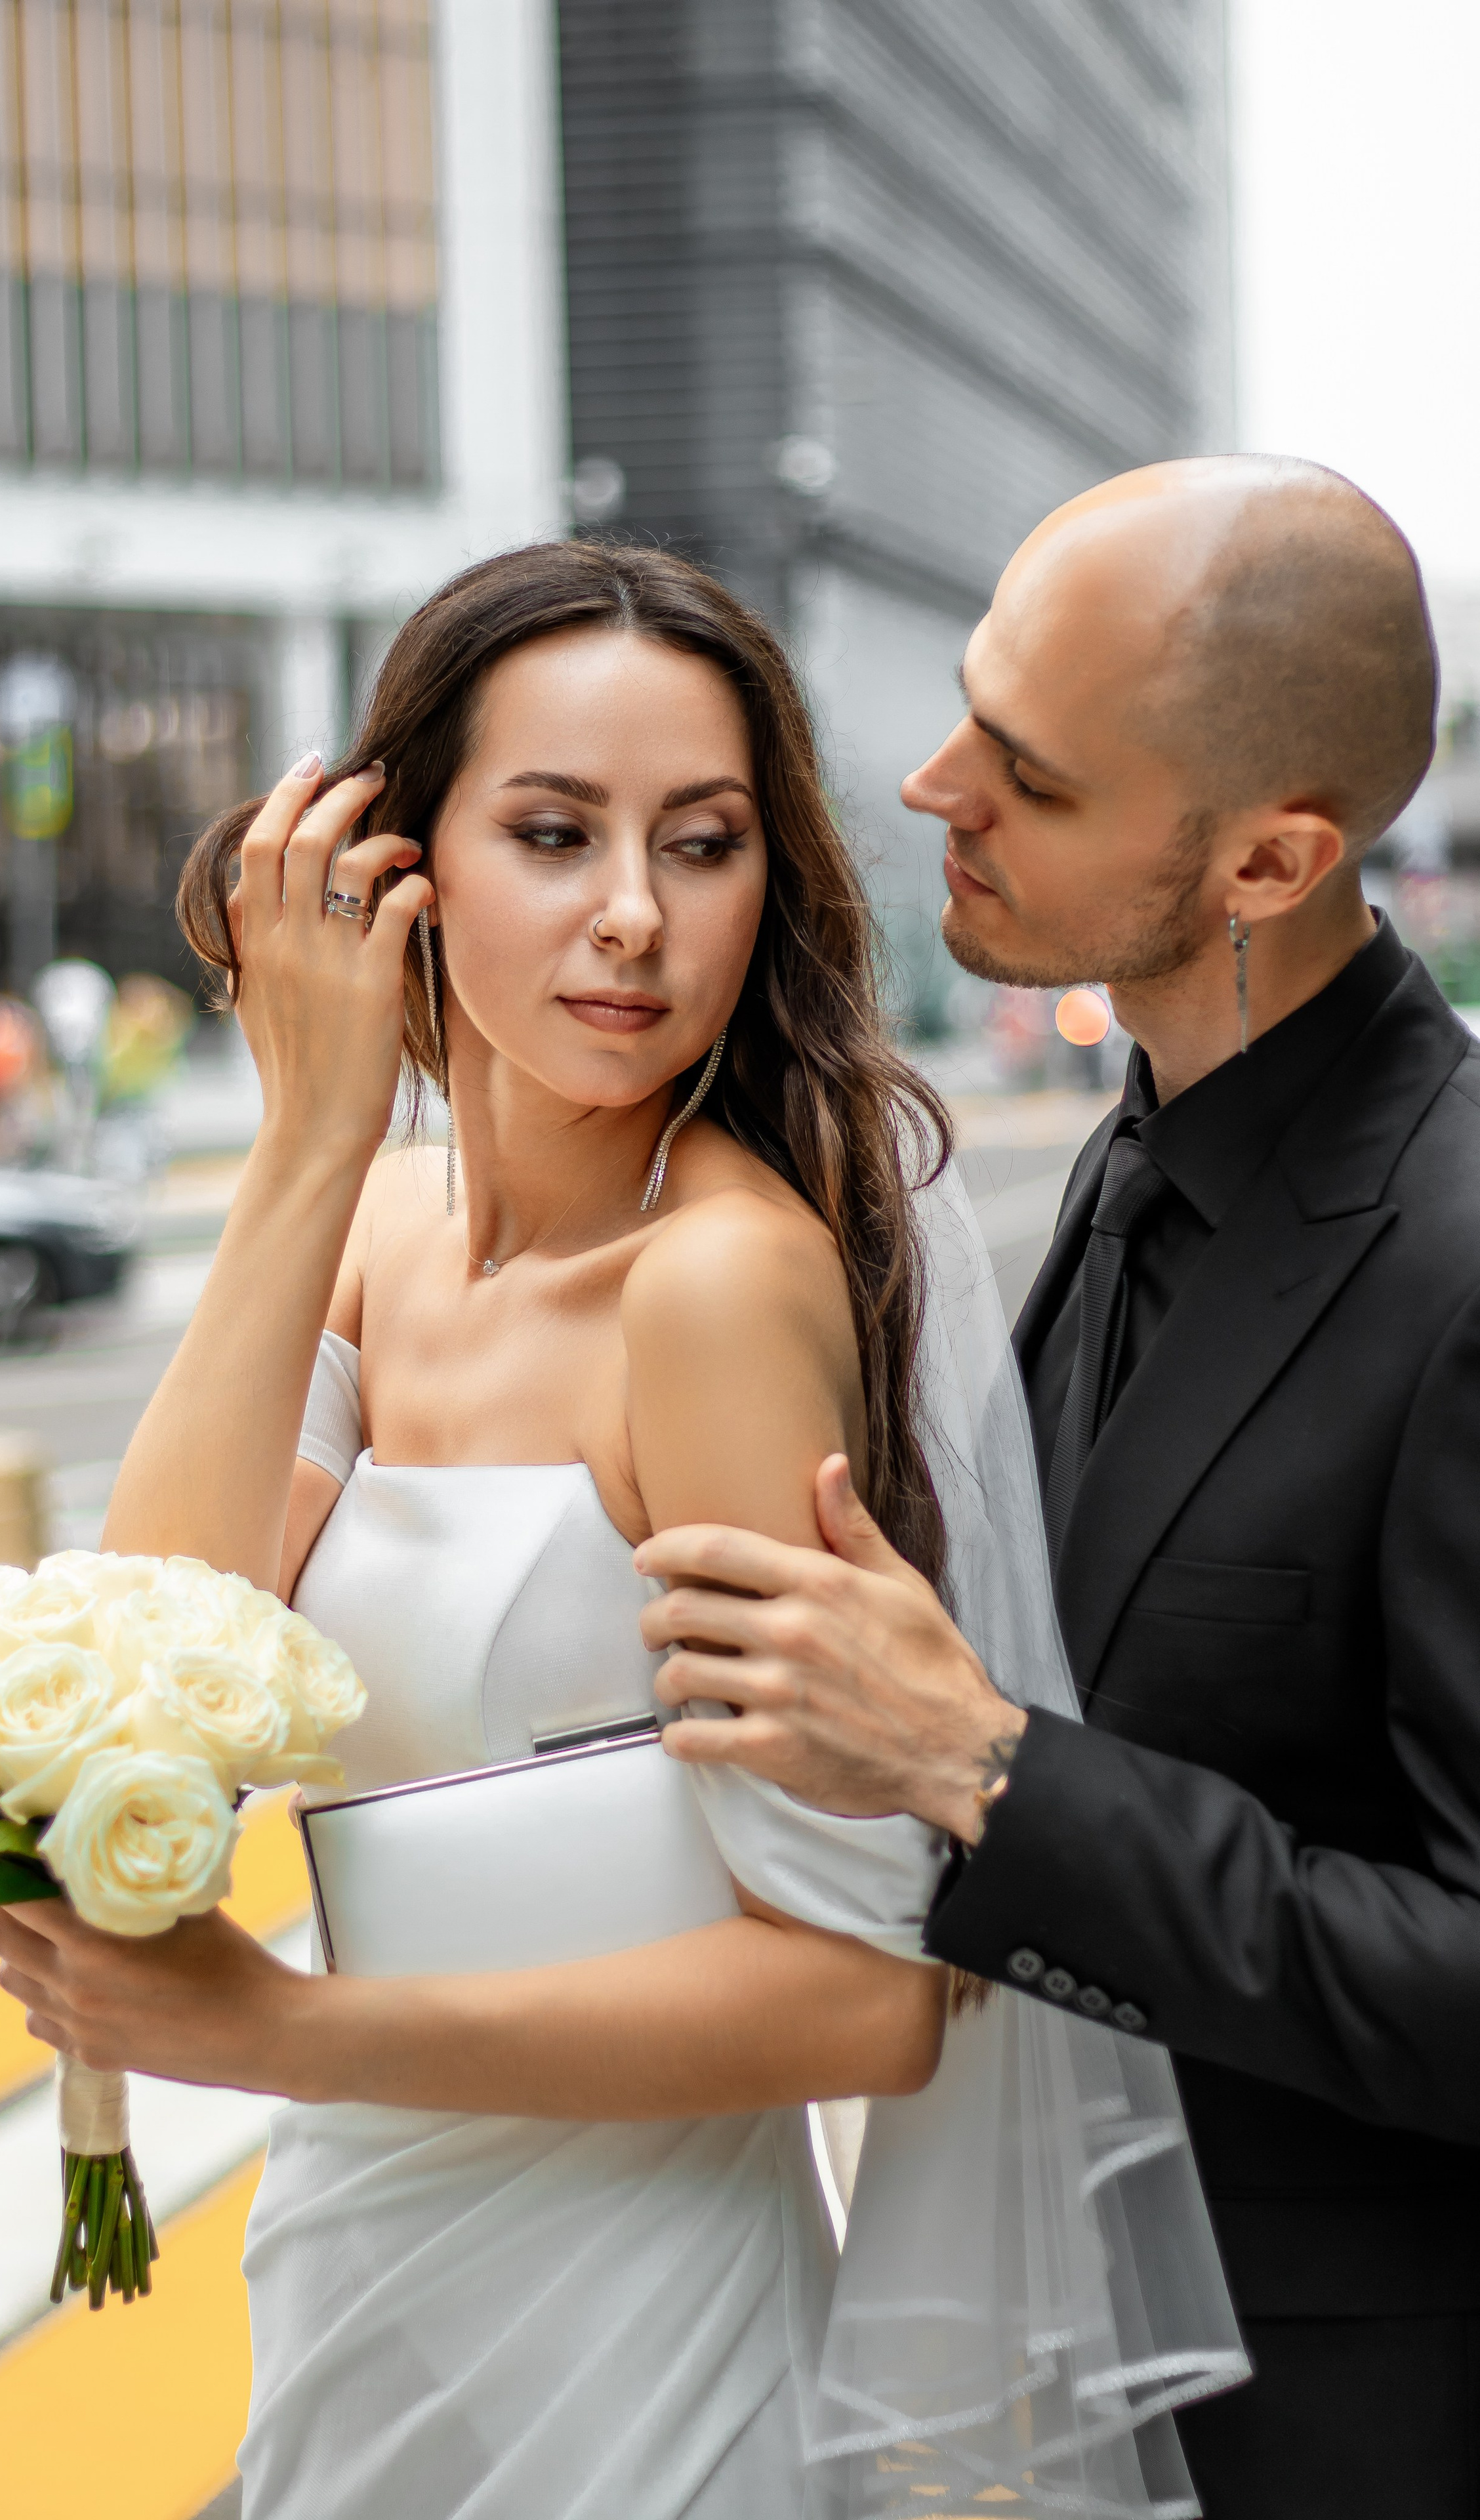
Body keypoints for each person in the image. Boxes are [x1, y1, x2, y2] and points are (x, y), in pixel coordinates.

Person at [0, 541, 1238, 2520]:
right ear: (399, 867)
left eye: (707, 842)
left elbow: (866, 1994)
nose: (636, 919)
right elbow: (150, 1683)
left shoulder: (714, 1289)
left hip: (644, 2347)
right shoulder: (372, 1235)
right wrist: (307, 1148)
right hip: (351, 2277)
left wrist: (297, 2030)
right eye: (555, 833)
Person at [640, 457, 1480, 2518]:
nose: (934, 786)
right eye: (965, 707)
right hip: (1061, 2380)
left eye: (1030, 769)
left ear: (1268, 859)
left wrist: (993, 1768)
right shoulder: (1121, 1162)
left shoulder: (1464, 1252)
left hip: (1352, 2427)